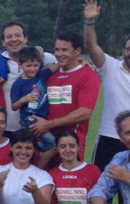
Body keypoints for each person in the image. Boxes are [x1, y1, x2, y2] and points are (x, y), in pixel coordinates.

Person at [81, 0, 130, 169]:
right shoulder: (110, 66)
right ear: (124, 50)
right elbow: (91, 47)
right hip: (109, 136)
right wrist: (89, 22)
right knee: (102, 183)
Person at [31, 30, 100, 163]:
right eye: (57, 50)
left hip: (71, 145)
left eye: (64, 50)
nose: (59, 54)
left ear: (77, 51)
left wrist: (48, 125)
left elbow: (85, 113)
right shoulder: (50, 74)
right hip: (45, 141)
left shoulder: (88, 75)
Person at [0, 21, 57, 132]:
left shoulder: (43, 57)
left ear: (25, 38)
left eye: (17, 35)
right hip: (5, 129)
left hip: (35, 127)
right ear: (3, 42)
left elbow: (64, 63)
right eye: (9, 36)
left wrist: (80, 62)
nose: (13, 39)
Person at [9, 46, 56, 163]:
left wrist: (80, 61)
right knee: (52, 143)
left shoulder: (42, 75)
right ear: (20, 65)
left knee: (33, 144)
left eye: (35, 65)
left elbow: (58, 65)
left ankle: (34, 152)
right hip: (28, 120)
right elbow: (14, 106)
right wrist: (24, 99)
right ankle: (34, 152)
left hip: (43, 119)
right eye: (28, 66)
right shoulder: (18, 84)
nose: (32, 69)